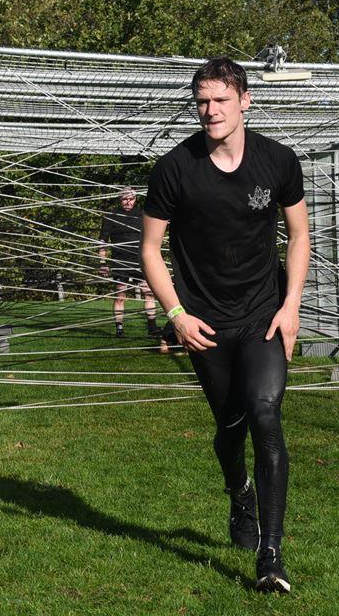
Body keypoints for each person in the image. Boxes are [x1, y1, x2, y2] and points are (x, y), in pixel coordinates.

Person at [141, 57, 310, 593]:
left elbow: (299, 236)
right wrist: (177, 315)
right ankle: (239, 492)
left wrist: (291, 305)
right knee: (230, 427)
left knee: (265, 413)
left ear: (245, 101)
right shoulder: (175, 169)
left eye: (220, 100)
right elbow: (149, 248)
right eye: (202, 101)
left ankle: (271, 555)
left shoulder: (278, 161)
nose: (210, 110)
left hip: (263, 315)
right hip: (205, 324)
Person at [98, 187, 160, 339]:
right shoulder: (111, 216)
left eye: (131, 199)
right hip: (120, 261)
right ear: (120, 199)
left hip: (140, 260)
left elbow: (152, 236)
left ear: (135, 199)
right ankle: (119, 328)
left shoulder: (142, 215)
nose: (128, 202)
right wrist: (102, 262)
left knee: (148, 293)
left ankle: (152, 327)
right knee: (120, 295)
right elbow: (102, 242)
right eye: (125, 199)